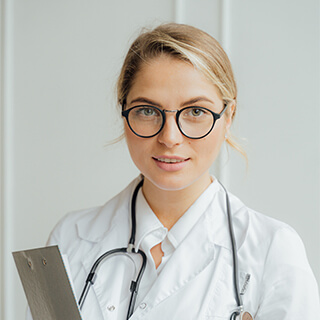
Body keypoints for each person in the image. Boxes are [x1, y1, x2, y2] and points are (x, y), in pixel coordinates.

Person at [27, 23, 319, 319]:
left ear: (228, 116)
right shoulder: (69, 238)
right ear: (124, 112)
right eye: (147, 111)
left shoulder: (273, 250)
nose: (170, 138)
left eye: (195, 112)